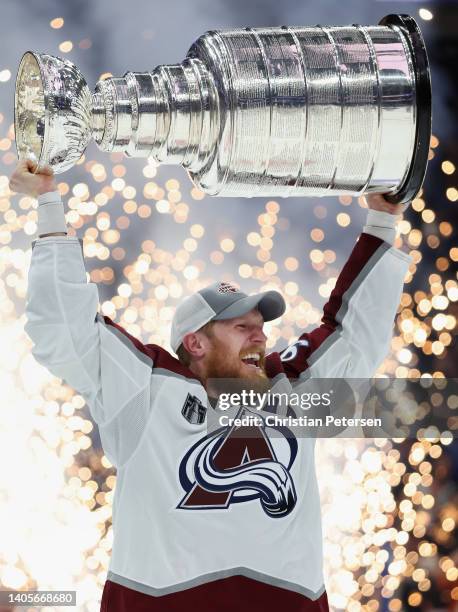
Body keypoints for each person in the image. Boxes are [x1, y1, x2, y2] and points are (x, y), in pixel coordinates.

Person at [11, 158, 412, 611]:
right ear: (195, 343)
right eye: (241, 327)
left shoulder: (292, 391)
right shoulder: (145, 389)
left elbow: (354, 335)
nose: (261, 336)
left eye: (261, 326)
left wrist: (382, 217)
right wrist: (47, 201)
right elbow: (65, 330)